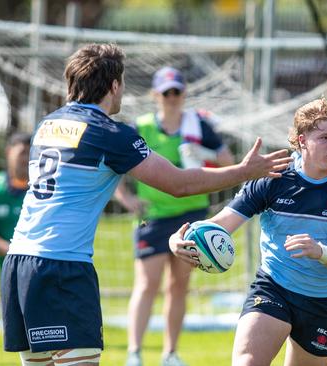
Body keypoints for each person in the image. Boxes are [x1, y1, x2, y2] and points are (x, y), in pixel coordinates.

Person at [0, 43, 291, 366]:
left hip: (19, 265)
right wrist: (244, 172)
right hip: (62, 267)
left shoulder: (48, 124)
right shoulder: (109, 133)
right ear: (114, 85)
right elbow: (180, 184)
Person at [170, 98, 327, 366]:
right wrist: (181, 239)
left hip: (326, 301)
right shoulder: (273, 178)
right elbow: (222, 224)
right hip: (274, 287)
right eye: (324, 137)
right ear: (302, 140)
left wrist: (320, 251)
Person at [114, 66, 236, 366]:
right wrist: (126, 198)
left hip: (191, 216)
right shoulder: (140, 126)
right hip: (152, 217)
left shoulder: (198, 125)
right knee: (146, 284)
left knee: (178, 285)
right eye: (166, 92)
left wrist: (200, 152)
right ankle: (135, 353)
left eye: (177, 91)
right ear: (155, 95)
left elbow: (228, 162)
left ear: (184, 93)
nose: (171, 97)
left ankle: (170, 353)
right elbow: (115, 164)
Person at [0, 132, 30, 271]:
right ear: (9, 152)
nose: (27, 159)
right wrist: (14, 251)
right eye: (23, 152)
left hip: (38, 267)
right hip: (8, 270)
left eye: (31, 153)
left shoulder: (43, 190)